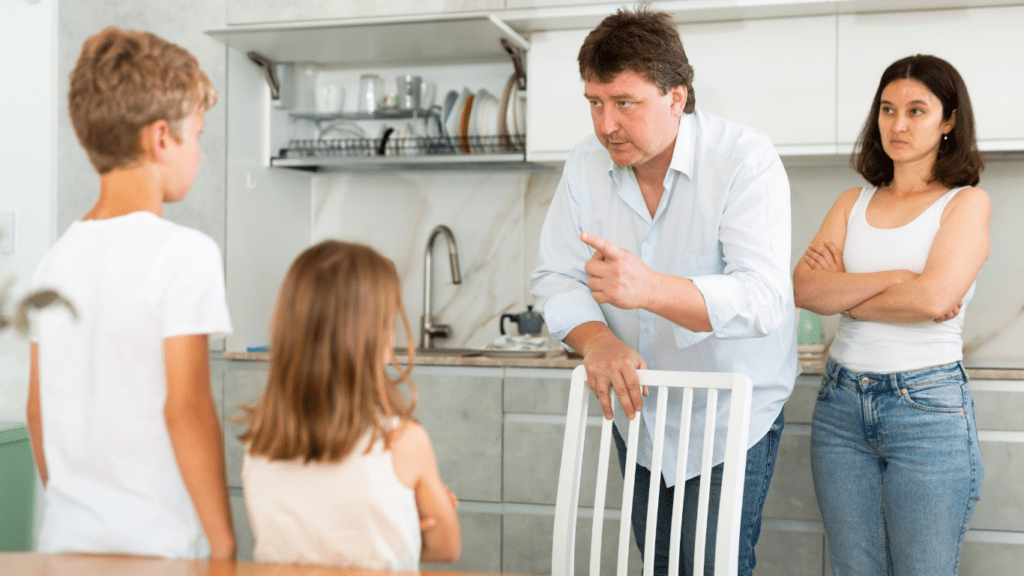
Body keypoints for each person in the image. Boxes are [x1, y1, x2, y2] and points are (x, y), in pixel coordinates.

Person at [530, 6, 799, 575]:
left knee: (708, 567)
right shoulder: (584, 166)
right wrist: (597, 340)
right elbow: (557, 276)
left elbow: (764, 299)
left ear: (676, 97)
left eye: (624, 103)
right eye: (595, 103)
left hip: (730, 418)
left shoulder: (744, 160)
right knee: (658, 566)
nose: (606, 125)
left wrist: (650, 288)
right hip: (643, 413)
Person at [25, 28, 235, 558]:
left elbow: (37, 412)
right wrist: (224, 544)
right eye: (199, 134)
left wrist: (79, 513)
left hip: (66, 545)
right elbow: (187, 410)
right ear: (162, 138)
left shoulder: (53, 262)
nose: (201, 154)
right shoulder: (185, 254)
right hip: (158, 547)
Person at [794, 54, 988, 575]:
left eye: (917, 110)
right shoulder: (849, 202)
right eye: (887, 109)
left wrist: (845, 293)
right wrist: (899, 280)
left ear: (948, 121)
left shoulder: (965, 205)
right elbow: (805, 288)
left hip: (927, 409)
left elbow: (932, 301)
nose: (897, 124)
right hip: (840, 407)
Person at [239, 240, 461, 570]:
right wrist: (404, 524)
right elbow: (446, 548)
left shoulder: (260, 441)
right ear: (376, 339)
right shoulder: (401, 442)